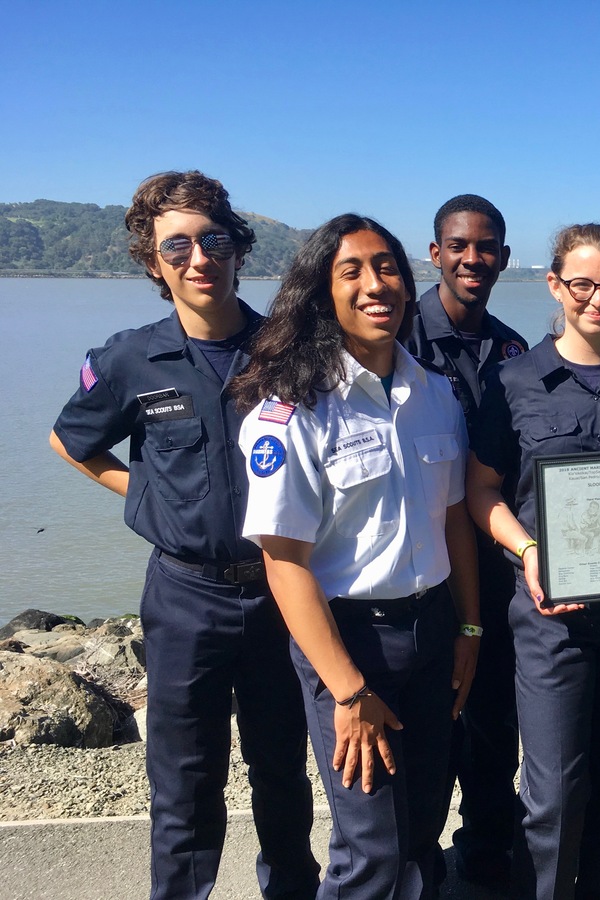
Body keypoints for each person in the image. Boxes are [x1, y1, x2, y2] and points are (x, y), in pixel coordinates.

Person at [50, 170, 318, 900]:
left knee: (283, 773)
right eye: (177, 247)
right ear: (152, 262)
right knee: (184, 783)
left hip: (281, 594)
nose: (198, 258)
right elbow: (71, 442)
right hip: (184, 598)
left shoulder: (289, 351)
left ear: (237, 249)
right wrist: (147, 494)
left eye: (214, 241)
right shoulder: (129, 359)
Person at [232, 214, 481, 900]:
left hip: (433, 632)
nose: (378, 285)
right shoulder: (292, 411)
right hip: (351, 645)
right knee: (371, 852)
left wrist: (469, 627)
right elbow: (285, 563)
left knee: (424, 831)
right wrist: (347, 690)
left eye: (388, 268)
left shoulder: (434, 394)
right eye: (353, 272)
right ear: (321, 293)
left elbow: (455, 519)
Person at [467, 223, 600, 900]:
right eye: (583, 284)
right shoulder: (511, 382)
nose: (599, 299)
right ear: (556, 285)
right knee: (554, 790)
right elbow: (480, 490)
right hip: (548, 616)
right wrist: (527, 550)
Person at [405, 193, 527, 888]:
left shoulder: (512, 351)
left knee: (491, 728)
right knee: (425, 737)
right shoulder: (394, 339)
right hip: (416, 572)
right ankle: (418, 864)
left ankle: (486, 859)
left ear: (504, 259)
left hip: (493, 567)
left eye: (486, 248)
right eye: (459, 246)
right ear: (436, 253)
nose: (473, 258)